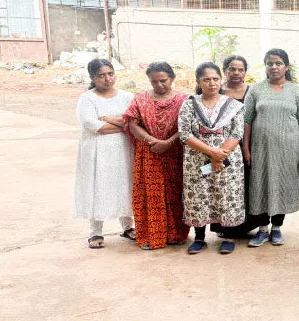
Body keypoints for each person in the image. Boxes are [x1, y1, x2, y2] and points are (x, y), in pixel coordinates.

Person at [242, 49, 299, 247]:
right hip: (260, 149)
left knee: (282, 185)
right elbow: (247, 122)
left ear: (286, 67)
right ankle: (262, 230)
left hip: (289, 150)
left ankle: (277, 228)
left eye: (278, 63)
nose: (274, 67)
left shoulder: (297, 91)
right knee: (260, 185)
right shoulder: (256, 90)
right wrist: (246, 149)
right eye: (269, 63)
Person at [179, 62, 246, 255]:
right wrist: (212, 153)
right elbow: (184, 134)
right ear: (199, 82)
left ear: (221, 80)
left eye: (215, 79)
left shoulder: (233, 106)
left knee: (227, 195)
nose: (212, 83)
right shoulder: (189, 104)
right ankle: (199, 238)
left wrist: (219, 156)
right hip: (196, 161)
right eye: (206, 79)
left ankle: (229, 236)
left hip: (227, 161)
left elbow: (237, 133)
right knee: (198, 196)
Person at [123, 61, 190, 250]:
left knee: (175, 193)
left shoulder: (185, 100)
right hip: (148, 153)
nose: (159, 85)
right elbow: (131, 122)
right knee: (149, 194)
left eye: (163, 80)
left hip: (175, 151)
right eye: (154, 82)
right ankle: (150, 236)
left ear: (172, 78)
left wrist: (168, 142)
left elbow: (188, 127)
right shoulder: (141, 98)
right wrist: (152, 141)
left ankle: (176, 235)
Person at [73, 58, 135, 249]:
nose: (107, 79)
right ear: (93, 78)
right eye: (101, 75)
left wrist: (108, 119)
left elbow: (133, 121)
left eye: (110, 73)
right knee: (98, 186)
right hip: (97, 152)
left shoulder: (126, 96)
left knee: (124, 184)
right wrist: (122, 124)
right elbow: (93, 126)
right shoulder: (87, 98)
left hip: (123, 150)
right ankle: (95, 232)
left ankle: (127, 227)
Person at [212, 55, 257, 239]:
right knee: (222, 186)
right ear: (225, 70)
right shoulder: (215, 90)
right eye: (232, 69)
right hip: (218, 146)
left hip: (248, 144)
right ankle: (224, 226)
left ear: (246, 72)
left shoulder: (252, 92)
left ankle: (245, 226)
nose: (236, 73)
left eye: (240, 69)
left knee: (247, 184)